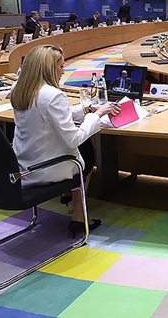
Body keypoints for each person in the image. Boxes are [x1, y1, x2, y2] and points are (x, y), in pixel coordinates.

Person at [10, 45, 120, 235]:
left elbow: (52, 115)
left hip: (24, 163)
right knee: (85, 153)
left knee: (82, 150)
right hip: (45, 168)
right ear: (48, 68)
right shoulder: (53, 96)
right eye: (61, 66)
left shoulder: (19, 89)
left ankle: (70, 197)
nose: (63, 71)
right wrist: (97, 115)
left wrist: (86, 109)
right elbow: (73, 139)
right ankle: (78, 215)